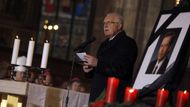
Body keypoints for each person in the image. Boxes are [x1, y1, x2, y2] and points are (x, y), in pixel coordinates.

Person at [83, 13, 138, 102]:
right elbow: (101, 70)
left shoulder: (128, 43)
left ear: (119, 25)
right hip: (97, 93)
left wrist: (97, 63)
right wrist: (89, 70)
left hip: (113, 96)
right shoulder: (104, 44)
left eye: (109, 22)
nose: (105, 25)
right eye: (104, 23)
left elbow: (122, 70)